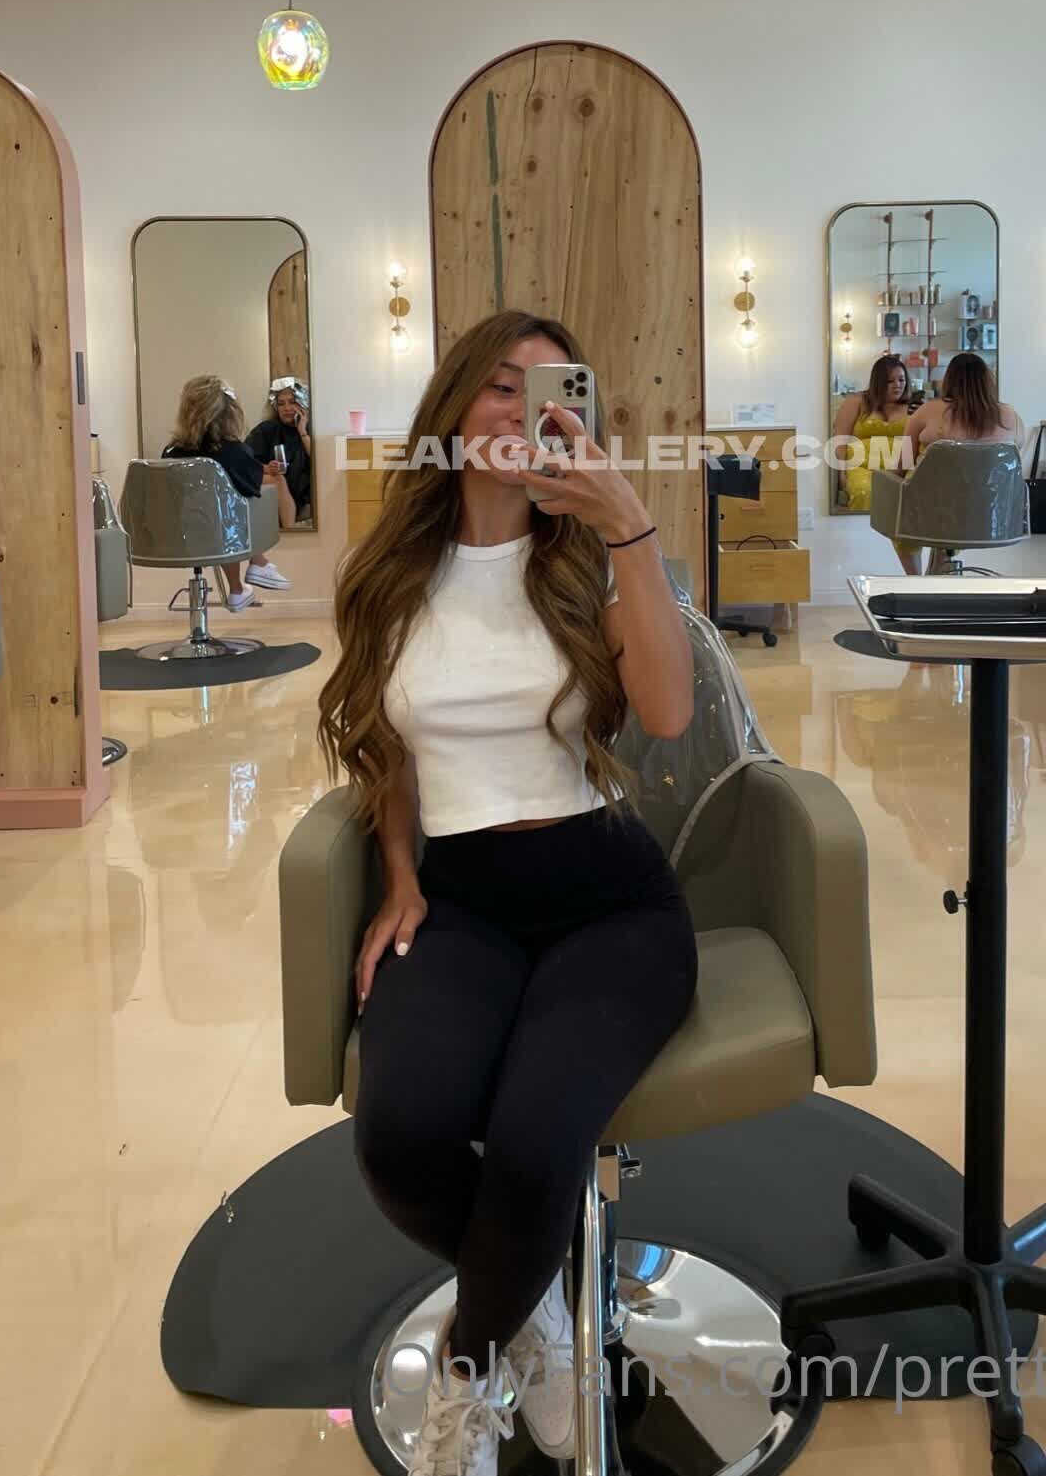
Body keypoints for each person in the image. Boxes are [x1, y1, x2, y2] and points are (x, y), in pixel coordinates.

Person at [317, 310, 696, 1476]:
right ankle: (532, 1311)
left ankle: (467, 1372)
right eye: (498, 387)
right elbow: (388, 750)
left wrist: (630, 526)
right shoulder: (391, 575)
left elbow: (669, 712)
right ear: (451, 410)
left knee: (537, 1148)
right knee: (400, 1138)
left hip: (608, 903)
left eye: (549, 391)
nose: (523, 412)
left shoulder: (591, 560)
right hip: (462, 902)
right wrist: (397, 879)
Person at [162, 374, 295, 609]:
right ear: (228, 412)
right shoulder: (233, 452)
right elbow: (250, 487)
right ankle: (256, 565)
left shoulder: (170, 452)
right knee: (241, 501)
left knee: (217, 505)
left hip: (176, 536)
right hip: (218, 536)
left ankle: (241, 585)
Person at [903, 352, 1025, 574]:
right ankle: (943, 560)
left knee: (903, 495)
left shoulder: (928, 411)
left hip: (932, 511)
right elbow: (1014, 460)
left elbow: (902, 463)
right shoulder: (1010, 415)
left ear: (949, 379)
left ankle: (915, 578)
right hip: (992, 515)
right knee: (959, 493)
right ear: (987, 381)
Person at [831, 354, 915, 551]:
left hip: (901, 469)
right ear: (878, 382)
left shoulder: (913, 406)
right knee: (865, 491)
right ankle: (867, 547)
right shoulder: (856, 402)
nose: (897, 385)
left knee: (913, 495)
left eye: (901, 380)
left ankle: (904, 545)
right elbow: (840, 440)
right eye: (890, 381)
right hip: (862, 467)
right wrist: (841, 473)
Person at [246, 377, 314, 525]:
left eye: (292, 402)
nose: (287, 408)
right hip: (272, 504)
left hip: (308, 503)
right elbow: (246, 465)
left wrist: (303, 432)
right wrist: (268, 468)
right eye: (281, 403)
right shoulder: (266, 430)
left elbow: (319, 463)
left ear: (303, 403)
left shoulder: (313, 431)